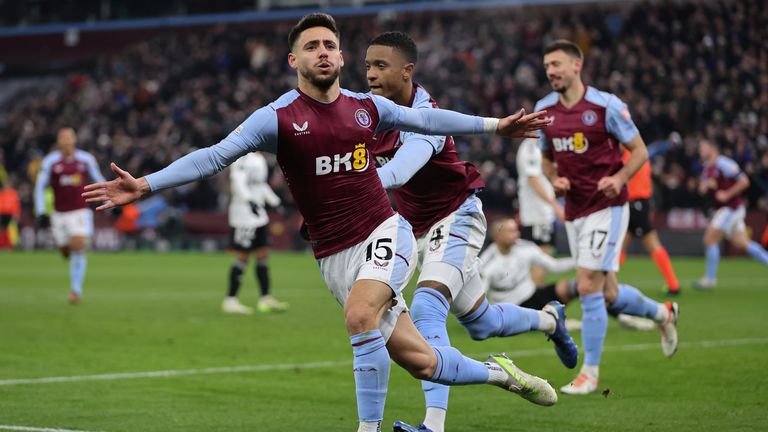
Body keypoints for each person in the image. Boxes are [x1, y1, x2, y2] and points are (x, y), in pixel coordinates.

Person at [83, 13, 557, 432]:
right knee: (421, 362)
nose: (322, 52)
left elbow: (431, 121)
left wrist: (497, 125)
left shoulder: (366, 108)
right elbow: (213, 157)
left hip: (385, 232)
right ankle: (501, 374)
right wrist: (145, 184)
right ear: (294, 60)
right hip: (333, 256)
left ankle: (366, 428)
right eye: (312, 46)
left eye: (329, 45)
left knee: (359, 316)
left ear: (342, 56)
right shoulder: (277, 119)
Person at [365, 32, 577, 432]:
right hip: (415, 227)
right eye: (367, 66)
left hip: (456, 215)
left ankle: (433, 425)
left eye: (381, 66)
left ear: (407, 71)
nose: (371, 74)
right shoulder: (371, 114)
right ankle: (551, 320)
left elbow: (400, 170)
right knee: (481, 323)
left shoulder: (424, 115)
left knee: (427, 309)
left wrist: (353, 186)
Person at [536, 40, 679, 395]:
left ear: (576, 65)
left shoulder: (606, 106)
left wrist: (619, 178)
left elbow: (640, 151)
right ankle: (665, 314)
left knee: (586, 284)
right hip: (575, 210)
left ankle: (591, 373)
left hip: (608, 207)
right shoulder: (544, 110)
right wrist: (555, 180)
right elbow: (546, 158)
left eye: (556, 64)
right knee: (608, 293)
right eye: (547, 66)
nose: (551, 71)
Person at [481, 218, 655, 332]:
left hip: (534, 295)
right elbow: (480, 295)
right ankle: (557, 321)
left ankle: (624, 317)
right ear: (498, 236)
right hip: (513, 308)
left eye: (516, 230)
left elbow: (554, 266)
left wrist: (580, 260)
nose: (516, 234)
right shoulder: (487, 262)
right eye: (511, 231)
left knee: (581, 286)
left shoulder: (525, 248)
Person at [34, 127, 106, 303]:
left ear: (75, 140)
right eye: (63, 138)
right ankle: (67, 253)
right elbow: (39, 186)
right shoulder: (50, 162)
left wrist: (109, 200)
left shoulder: (86, 159)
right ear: (58, 141)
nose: (66, 141)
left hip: (80, 211)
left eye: (69, 138)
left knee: (78, 245)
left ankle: (75, 291)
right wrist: (42, 211)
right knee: (66, 251)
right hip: (59, 215)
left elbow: (99, 179)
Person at [693, 138, 768, 288]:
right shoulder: (707, 168)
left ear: (712, 148)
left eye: (703, 147)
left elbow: (744, 181)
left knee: (710, 239)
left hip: (731, 209)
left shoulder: (724, 163)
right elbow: (709, 186)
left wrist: (727, 194)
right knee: (743, 244)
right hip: (726, 210)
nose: (700, 151)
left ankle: (709, 280)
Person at [223, 152, 288, 314]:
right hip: (244, 215)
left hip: (259, 215)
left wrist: (276, 203)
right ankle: (230, 300)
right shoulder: (242, 157)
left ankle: (265, 298)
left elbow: (260, 185)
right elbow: (238, 182)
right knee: (243, 256)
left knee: (263, 253)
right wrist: (248, 201)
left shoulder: (259, 159)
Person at [618, 149, 680, 295]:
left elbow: (623, 182)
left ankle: (673, 285)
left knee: (650, 244)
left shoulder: (628, 158)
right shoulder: (640, 154)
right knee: (621, 245)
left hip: (635, 204)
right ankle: (606, 283)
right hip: (640, 203)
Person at [516, 138, 564, 286]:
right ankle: (535, 304)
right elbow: (533, 178)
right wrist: (555, 205)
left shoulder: (538, 146)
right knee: (541, 259)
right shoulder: (531, 146)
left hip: (539, 213)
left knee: (541, 258)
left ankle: (531, 301)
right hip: (537, 214)